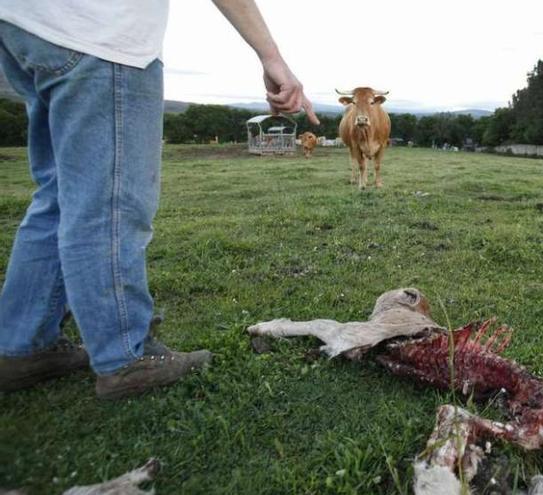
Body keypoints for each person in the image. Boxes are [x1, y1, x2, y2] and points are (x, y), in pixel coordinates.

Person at [0, 0, 319, 399]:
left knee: (60, 196)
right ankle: (125, 356)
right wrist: (272, 57)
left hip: (23, 25)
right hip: (99, 33)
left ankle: (24, 345)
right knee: (111, 204)